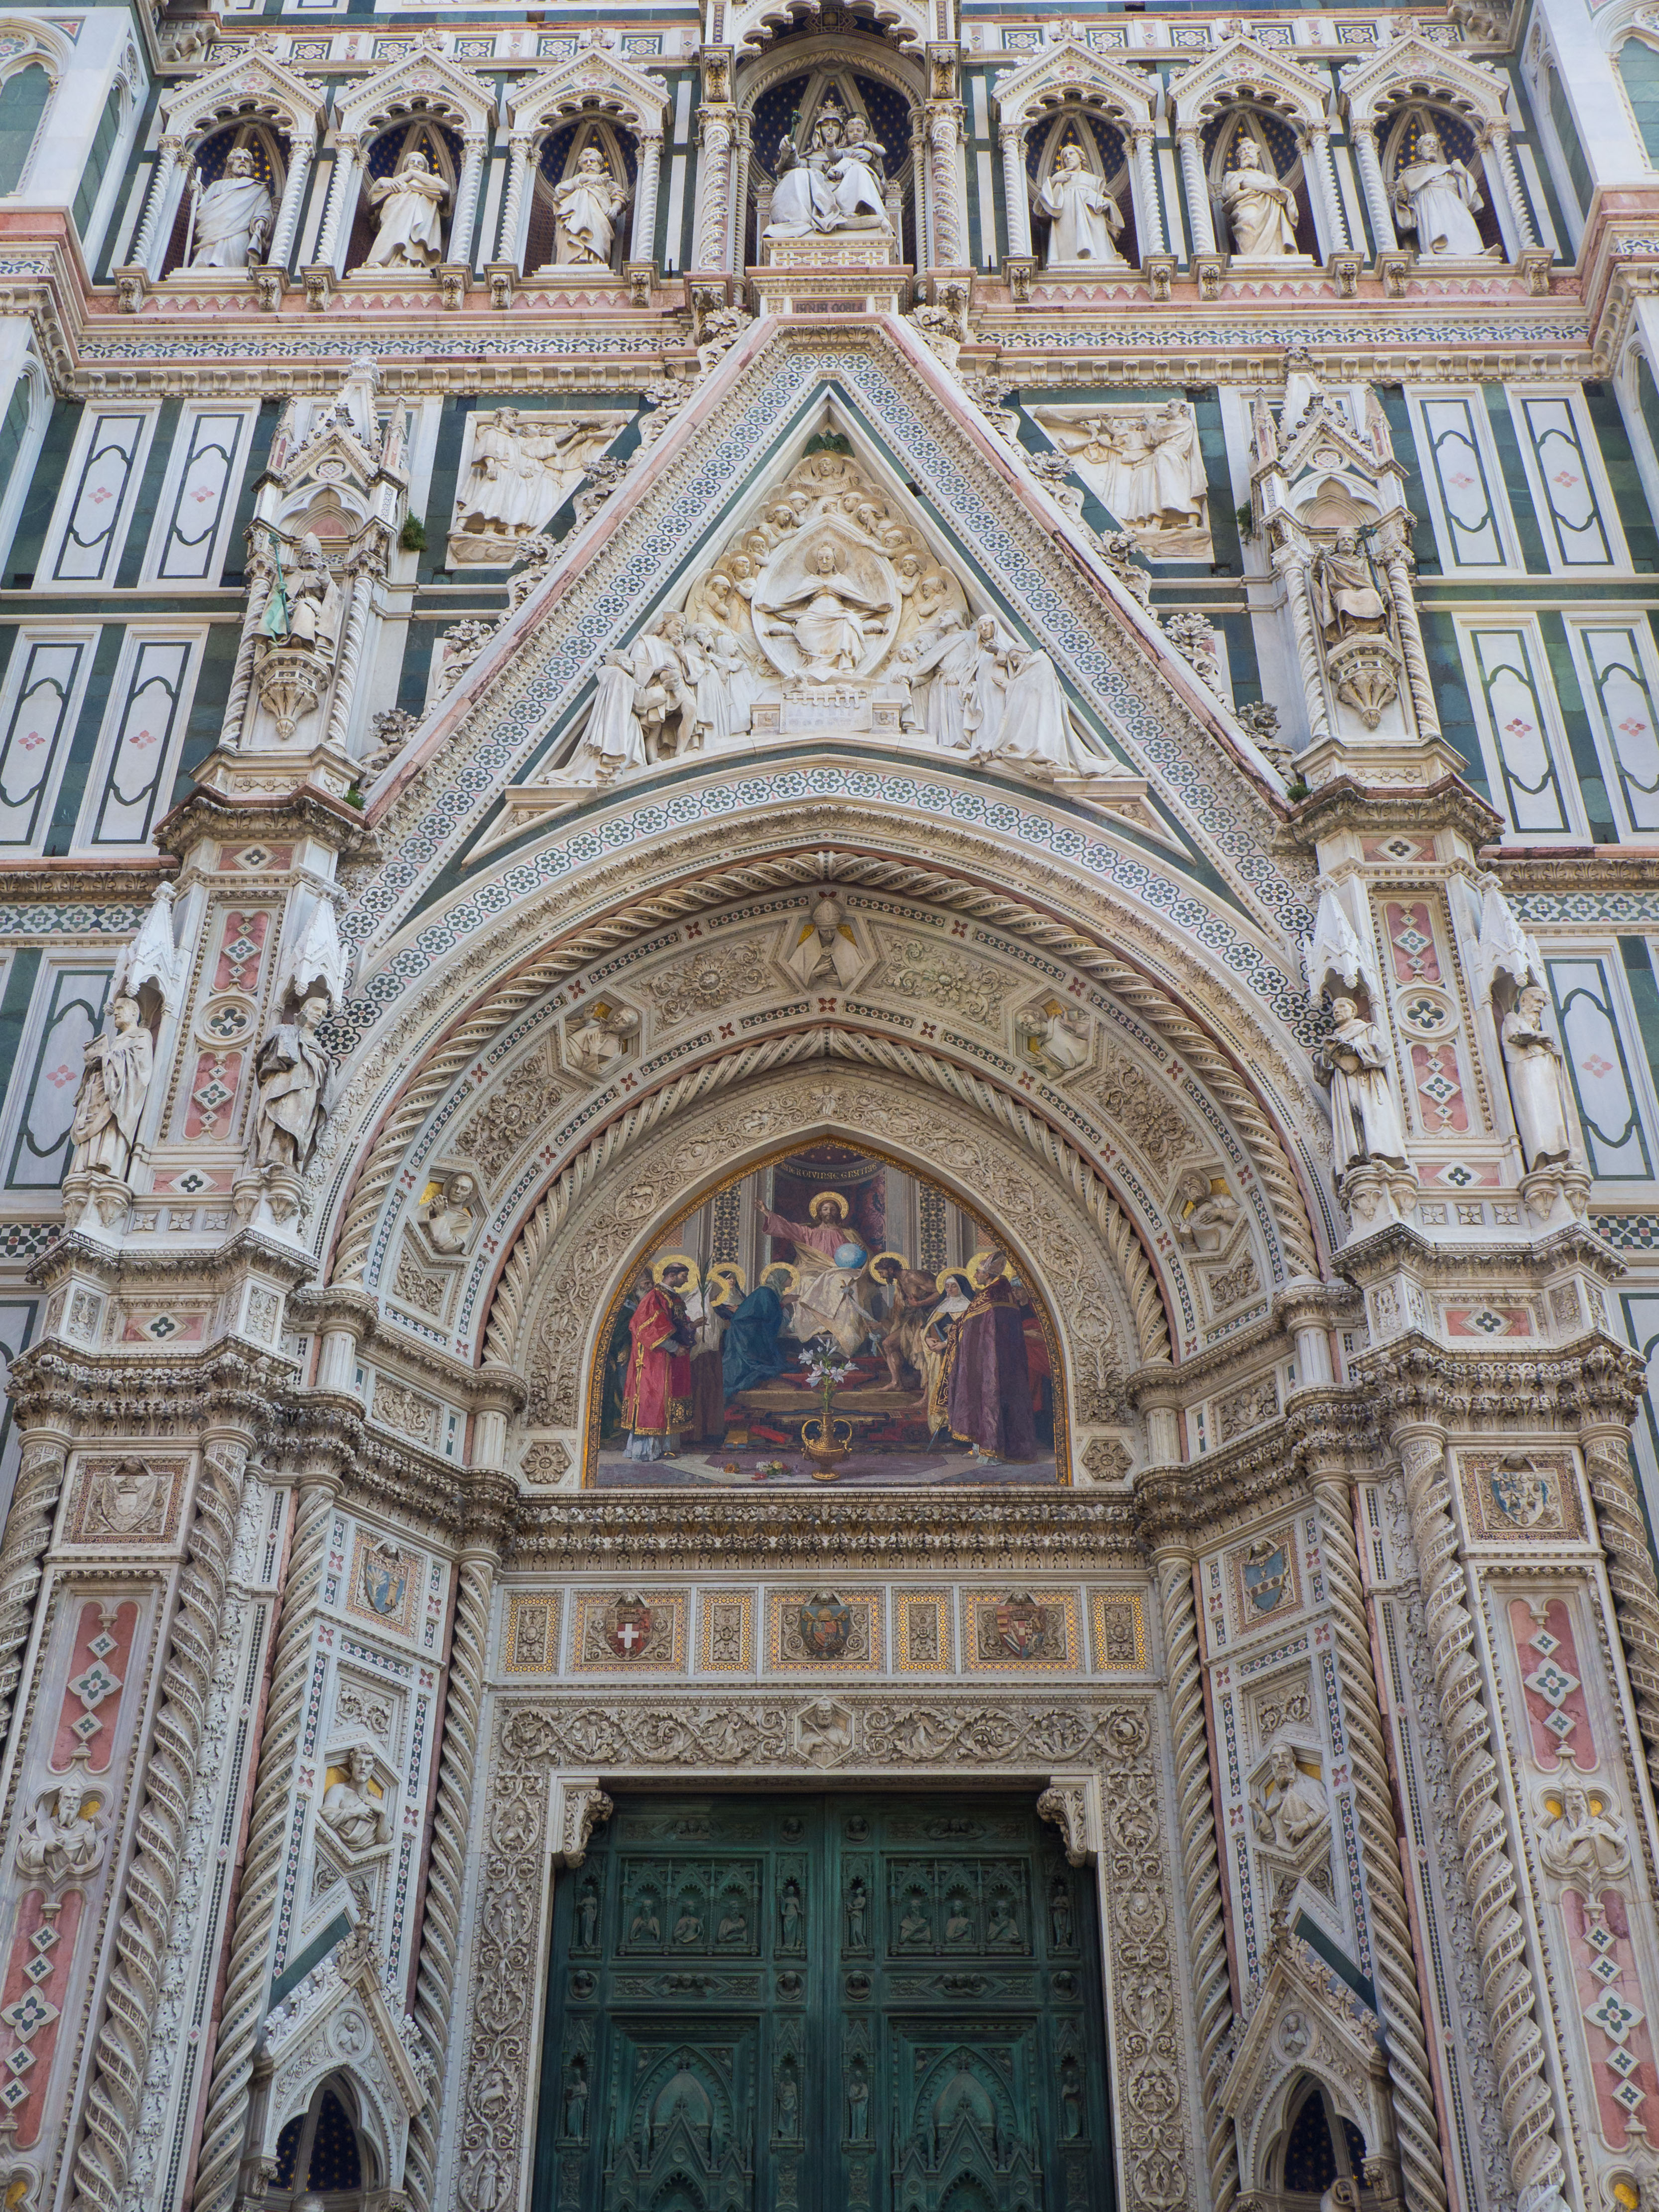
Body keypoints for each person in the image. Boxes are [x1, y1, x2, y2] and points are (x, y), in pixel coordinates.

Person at [934, 1250, 1038, 1463]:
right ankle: (984, 1447)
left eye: (978, 1273)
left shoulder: (989, 1295)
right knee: (987, 1399)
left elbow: (973, 1326)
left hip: (985, 1360)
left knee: (987, 1398)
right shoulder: (1003, 1293)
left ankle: (991, 1450)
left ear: (988, 1275)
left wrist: (955, 1331)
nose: (975, 1276)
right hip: (1000, 1360)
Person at [1318, 996, 1407, 1176]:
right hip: (1343, 1084)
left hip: (1365, 1081)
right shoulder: (1332, 1039)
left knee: (1368, 1113)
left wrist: (1356, 1050)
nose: (1337, 1011)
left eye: (1342, 1007)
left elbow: (1383, 1052)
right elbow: (1322, 1075)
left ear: (1353, 1010)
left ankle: (1376, 1155)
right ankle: (1356, 1160)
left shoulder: (1366, 1029)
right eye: (1334, 1009)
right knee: (1350, 1116)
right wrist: (1328, 1057)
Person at [69, 994, 153, 1181]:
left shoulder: (142, 1035)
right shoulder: (117, 1040)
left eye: (121, 1008)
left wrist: (107, 1059)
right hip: (98, 1093)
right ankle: (86, 1166)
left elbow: (140, 1066)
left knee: (110, 1125)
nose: (116, 1013)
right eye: (115, 1009)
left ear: (134, 1012)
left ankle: (105, 1164)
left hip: (117, 1095)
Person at [621, 1260, 697, 1460]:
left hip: (672, 1360)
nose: (686, 1280)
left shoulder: (673, 1297)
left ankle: (665, 1447)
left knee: (668, 1401)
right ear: (671, 1276)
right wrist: (674, 1347)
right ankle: (647, 1450)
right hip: (655, 1360)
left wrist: (691, 1327)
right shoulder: (654, 1297)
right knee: (653, 1401)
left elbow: (679, 1325)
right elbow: (649, 1329)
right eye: (684, 1276)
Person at [253, 994, 332, 1172]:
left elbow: (325, 1077)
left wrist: (325, 1058)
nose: (320, 1015)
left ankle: (290, 1163)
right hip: (286, 1086)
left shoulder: (318, 1045)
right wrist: (296, 1029)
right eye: (316, 1009)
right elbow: (272, 1059)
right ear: (305, 1010)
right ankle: (271, 1158)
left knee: (299, 1125)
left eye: (324, 1013)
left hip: (308, 1092)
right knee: (282, 1116)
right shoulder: (285, 1030)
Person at [1501, 984, 1575, 1169]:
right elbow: (1514, 1036)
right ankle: (1540, 1159)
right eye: (1537, 1001)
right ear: (1523, 1001)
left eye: (1542, 1003)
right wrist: (1543, 1035)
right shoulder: (1512, 1018)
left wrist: (1556, 1056)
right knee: (1533, 1112)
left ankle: (1557, 1157)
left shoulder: (1535, 1028)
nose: (1540, 1006)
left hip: (1545, 1072)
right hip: (1526, 1069)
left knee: (1551, 1113)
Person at [1392, 125, 1488, 257]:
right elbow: (1401, 198)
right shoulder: (1411, 172)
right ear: (1420, 150)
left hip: (1453, 202)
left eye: (1435, 144)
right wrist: (1401, 197)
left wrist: (1463, 173)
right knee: (1435, 224)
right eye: (1428, 144)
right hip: (1429, 202)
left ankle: (1476, 251)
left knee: (1465, 222)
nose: (1432, 146)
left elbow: (1469, 200)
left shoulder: (1449, 170)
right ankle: (1438, 251)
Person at [1037, 145, 1124, 267]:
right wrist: (1054, 180)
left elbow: (1110, 201)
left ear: (1080, 157)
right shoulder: (1060, 180)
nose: (1068, 157)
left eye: (1071, 154)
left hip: (1093, 221)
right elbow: (1042, 208)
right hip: (1067, 219)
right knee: (1068, 251)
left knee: (1100, 249)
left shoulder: (1094, 180)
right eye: (1065, 157)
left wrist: (1106, 203)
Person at [366, 149, 451, 271]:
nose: (416, 164)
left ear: (425, 169)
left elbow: (445, 189)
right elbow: (371, 202)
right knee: (391, 231)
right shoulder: (394, 183)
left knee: (413, 236)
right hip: (395, 216)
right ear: (406, 166)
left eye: (420, 163)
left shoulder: (430, 182)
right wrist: (380, 182)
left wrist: (413, 174)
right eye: (412, 162)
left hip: (419, 219)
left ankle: (408, 264)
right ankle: (380, 261)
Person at [191, 145, 274, 268]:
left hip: (238, 232)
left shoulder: (258, 188)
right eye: (239, 159)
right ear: (231, 165)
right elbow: (202, 210)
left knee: (232, 265)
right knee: (206, 259)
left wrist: (261, 220)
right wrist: (198, 195)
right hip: (213, 232)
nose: (243, 161)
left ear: (251, 167)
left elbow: (264, 209)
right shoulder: (217, 186)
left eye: (246, 160)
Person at [722, 1264, 796, 1397]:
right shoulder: (766, 1292)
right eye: (788, 1277)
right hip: (745, 1333)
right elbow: (769, 1316)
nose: (792, 1279)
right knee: (747, 1366)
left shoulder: (772, 1292)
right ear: (780, 1279)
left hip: (749, 1331)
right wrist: (784, 1303)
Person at [869, 1254, 942, 1391]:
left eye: (882, 1273)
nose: (881, 1276)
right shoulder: (900, 1282)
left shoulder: (913, 1276)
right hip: (912, 1319)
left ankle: (929, 1389)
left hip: (927, 1319)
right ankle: (896, 1383)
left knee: (921, 1352)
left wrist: (920, 1303)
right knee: (888, 1344)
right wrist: (882, 1324)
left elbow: (940, 1292)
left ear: (891, 1269)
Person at [1220, 138, 1298, 258]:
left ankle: (1277, 253)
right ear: (1240, 157)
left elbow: (1283, 196)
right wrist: (1255, 191)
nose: (1247, 152)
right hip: (1248, 207)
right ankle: (1250, 257)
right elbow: (1228, 193)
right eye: (1243, 151)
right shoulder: (1234, 175)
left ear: (1257, 156)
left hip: (1272, 214)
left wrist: (1285, 195)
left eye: (1250, 149)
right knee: (1248, 223)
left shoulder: (1269, 179)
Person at [552, 145, 629, 267]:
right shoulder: (575, 182)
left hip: (597, 221)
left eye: (592, 161)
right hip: (575, 221)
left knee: (596, 236)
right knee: (582, 194)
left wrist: (614, 209)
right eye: (585, 162)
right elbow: (559, 191)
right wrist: (591, 179)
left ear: (600, 165)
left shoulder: (607, 184)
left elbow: (620, 196)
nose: (589, 164)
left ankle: (593, 259)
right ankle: (573, 257)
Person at [321, 1746, 390, 1850]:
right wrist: (356, 1811)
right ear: (351, 1765)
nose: (363, 1767)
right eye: (358, 1762)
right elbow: (328, 1816)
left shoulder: (376, 1802)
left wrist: (383, 1814)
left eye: (368, 1763)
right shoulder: (339, 1790)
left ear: (373, 1768)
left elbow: (384, 1839)